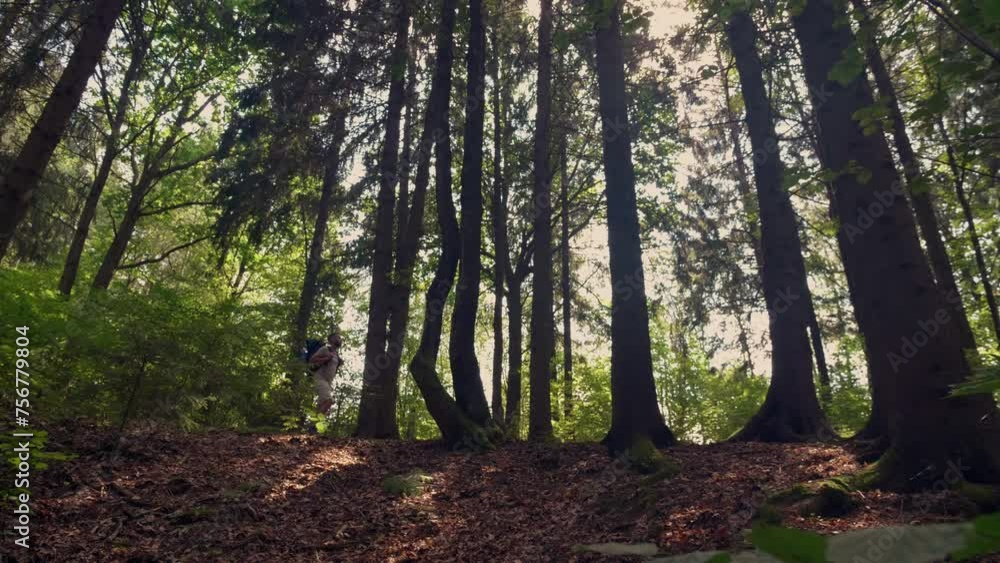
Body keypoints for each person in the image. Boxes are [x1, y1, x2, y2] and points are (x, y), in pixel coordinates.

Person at [308, 330, 343, 415]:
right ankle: (315, 422)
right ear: (331, 339)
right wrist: (326, 358)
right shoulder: (325, 349)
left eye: (340, 338)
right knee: (329, 401)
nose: (340, 339)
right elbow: (312, 359)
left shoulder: (336, 354)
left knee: (321, 405)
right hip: (320, 378)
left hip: (328, 382)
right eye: (338, 337)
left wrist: (339, 363)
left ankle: (314, 422)